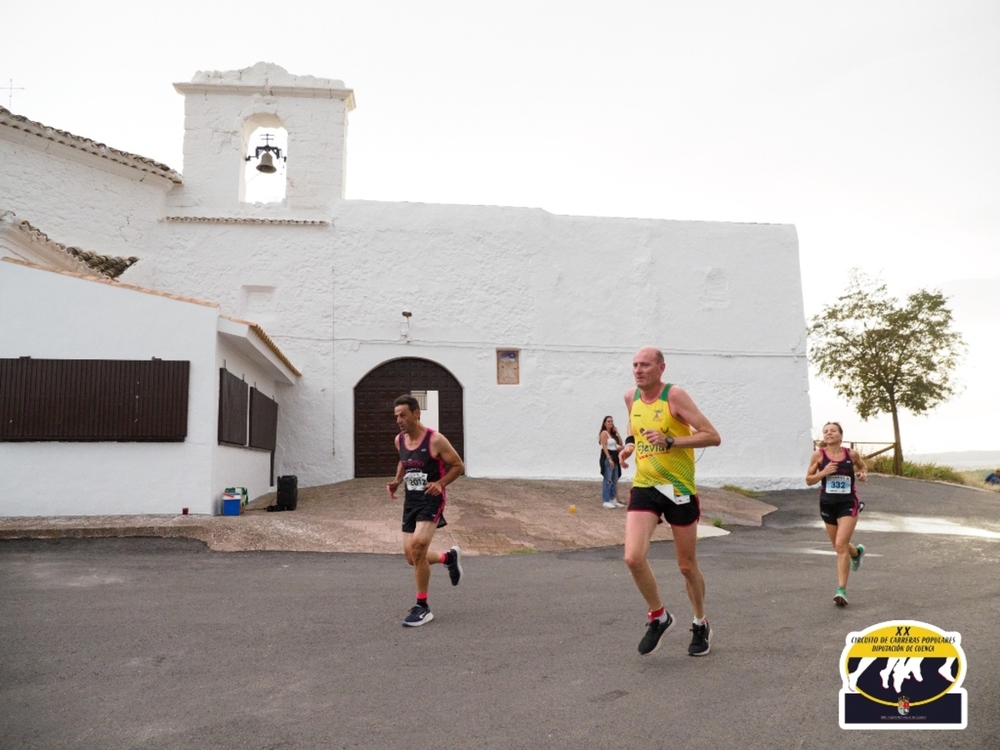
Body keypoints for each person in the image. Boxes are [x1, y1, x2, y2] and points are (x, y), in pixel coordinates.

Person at [617, 346, 722, 657]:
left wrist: (672, 440)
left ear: (661, 368)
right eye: (635, 365)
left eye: (645, 365)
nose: (638, 370)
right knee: (633, 557)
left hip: (678, 488)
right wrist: (629, 445)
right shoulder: (630, 397)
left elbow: (712, 436)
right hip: (645, 485)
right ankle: (658, 616)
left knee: (686, 566)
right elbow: (634, 428)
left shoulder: (674, 396)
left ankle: (700, 622)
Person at [386, 395, 465, 627]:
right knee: (412, 557)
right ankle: (448, 558)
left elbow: (458, 465)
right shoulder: (399, 440)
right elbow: (403, 461)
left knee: (419, 548)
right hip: (411, 501)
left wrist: (440, 483)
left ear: (416, 413)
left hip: (431, 500)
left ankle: (422, 606)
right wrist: (396, 481)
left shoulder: (435, 440)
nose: (399, 420)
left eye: (403, 415)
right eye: (396, 416)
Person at [805, 421, 868, 607]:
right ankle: (856, 553)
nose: (829, 433)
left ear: (841, 435)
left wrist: (863, 474)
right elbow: (808, 480)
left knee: (840, 545)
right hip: (827, 504)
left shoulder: (851, 454)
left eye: (833, 431)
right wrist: (823, 472)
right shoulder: (818, 455)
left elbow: (863, 467)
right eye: (825, 431)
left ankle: (841, 590)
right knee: (838, 545)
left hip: (848, 504)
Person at [599, 415, 625, 508]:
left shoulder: (612, 435)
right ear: (605, 423)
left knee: (614, 478)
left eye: (611, 421)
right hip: (608, 456)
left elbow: (621, 444)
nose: (610, 423)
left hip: (615, 456)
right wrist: (609, 458)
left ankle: (613, 499)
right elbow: (605, 446)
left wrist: (617, 433)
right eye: (608, 421)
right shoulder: (604, 433)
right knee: (608, 479)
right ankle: (606, 500)